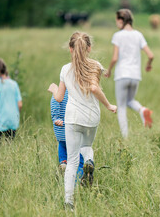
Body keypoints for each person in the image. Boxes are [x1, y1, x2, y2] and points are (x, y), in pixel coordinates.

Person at [47, 31, 117, 209]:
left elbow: (60, 97)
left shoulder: (65, 69)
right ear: (89, 48)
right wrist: (108, 105)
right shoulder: (95, 65)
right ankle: (88, 161)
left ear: (71, 49)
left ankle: (68, 202)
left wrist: (54, 89)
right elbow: (94, 86)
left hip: (72, 118)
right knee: (86, 147)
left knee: (71, 162)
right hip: (92, 117)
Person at [104, 9, 154, 138]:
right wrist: (148, 65)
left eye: (116, 21)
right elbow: (150, 55)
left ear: (121, 20)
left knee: (121, 107)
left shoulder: (118, 35)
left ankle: (125, 138)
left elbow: (115, 58)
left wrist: (109, 70)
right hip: (135, 75)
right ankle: (143, 110)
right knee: (130, 100)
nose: (116, 24)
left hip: (122, 74)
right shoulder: (138, 35)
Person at [0, 58, 22, 148]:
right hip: (13, 121)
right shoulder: (14, 84)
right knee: (10, 147)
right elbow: (20, 104)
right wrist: (16, 116)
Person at [50, 89, 84, 178]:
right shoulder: (76, 94)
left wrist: (56, 118)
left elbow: (54, 107)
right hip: (72, 131)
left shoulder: (57, 93)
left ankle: (63, 161)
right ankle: (79, 178)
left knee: (62, 145)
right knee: (79, 158)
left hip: (60, 131)